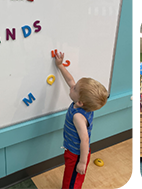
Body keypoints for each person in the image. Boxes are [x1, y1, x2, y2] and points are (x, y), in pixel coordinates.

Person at [52, 50, 108, 189]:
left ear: (81, 102)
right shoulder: (85, 104)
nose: (72, 86)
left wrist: (82, 162)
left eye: (75, 89)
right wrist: (60, 66)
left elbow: (85, 140)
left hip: (77, 155)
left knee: (71, 183)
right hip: (72, 151)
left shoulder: (78, 116)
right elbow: (70, 81)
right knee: (70, 178)